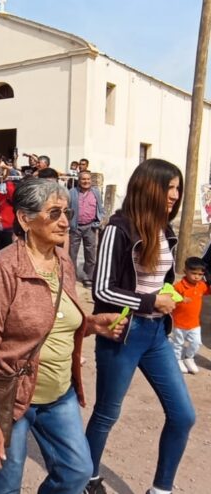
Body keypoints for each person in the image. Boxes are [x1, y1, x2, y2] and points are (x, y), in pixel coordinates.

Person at [0, 177, 124, 493]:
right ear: (25, 219)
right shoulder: (2, 269)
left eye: (66, 212)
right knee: (6, 484)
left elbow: (54, 319)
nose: (65, 222)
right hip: (9, 394)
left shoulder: (64, 261)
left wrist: (92, 324)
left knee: (77, 471)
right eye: (54, 213)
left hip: (59, 394)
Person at [85, 159, 195, 494]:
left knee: (183, 415)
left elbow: (155, 280)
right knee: (106, 414)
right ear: (148, 187)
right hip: (123, 334)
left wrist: (168, 294)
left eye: (177, 187)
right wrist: (149, 303)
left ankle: (161, 489)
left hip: (156, 334)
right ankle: (87, 478)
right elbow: (101, 288)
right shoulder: (118, 228)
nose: (175, 194)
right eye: (169, 187)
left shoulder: (166, 230)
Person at [170, 257, 210, 374]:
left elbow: (208, 290)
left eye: (200, 274)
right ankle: (178, 359)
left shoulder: (201, 285)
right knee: (178, 343)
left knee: (196, 342)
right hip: (179, 323)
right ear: (185, 271)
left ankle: (189, 357)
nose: (197, 277)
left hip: (194, 323)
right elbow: (170, 299)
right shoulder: (178, 287)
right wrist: (181, 299)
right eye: (193, 273)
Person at [69, 170, 105, 288]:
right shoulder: (72, 193)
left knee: (90, 254)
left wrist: (99, 221)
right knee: (72, 253)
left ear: (91, 180)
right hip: (75, 227)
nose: (86, 181)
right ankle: (71, 276)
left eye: (88, 179)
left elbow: (100, 208)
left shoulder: (96, 193)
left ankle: (88, 277)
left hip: (90, 227)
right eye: (83, 179)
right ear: (79, 181)